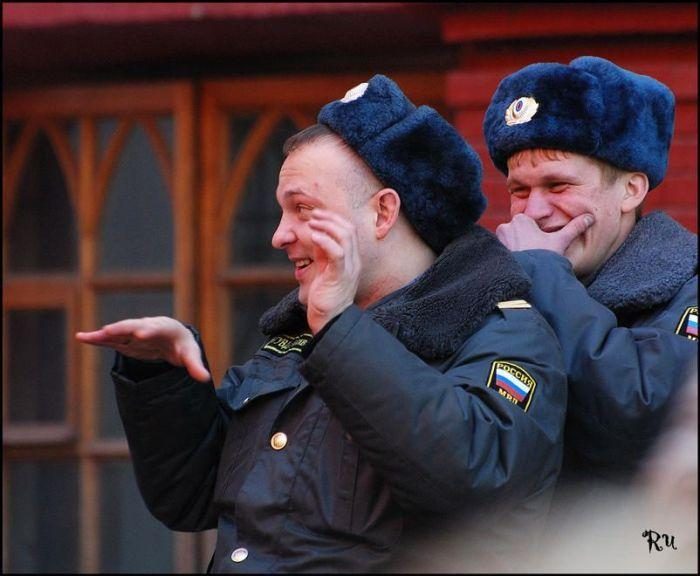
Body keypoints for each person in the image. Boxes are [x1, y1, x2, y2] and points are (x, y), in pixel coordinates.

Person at [77, 74, 567, 573]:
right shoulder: (299, 336)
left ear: (382, 213)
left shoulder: (502, 333)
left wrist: (338, 331)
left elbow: (474, 483)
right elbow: (194, 498)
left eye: (303, 209)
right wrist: (162, 378)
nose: (279, 235)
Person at [482, 56, 698, 487]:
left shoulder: (688, 286)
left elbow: (644, 411)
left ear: (631, 190)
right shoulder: (502, 289)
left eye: (558, 185)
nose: (534, 211)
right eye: (519, 190)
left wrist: (542, 273)